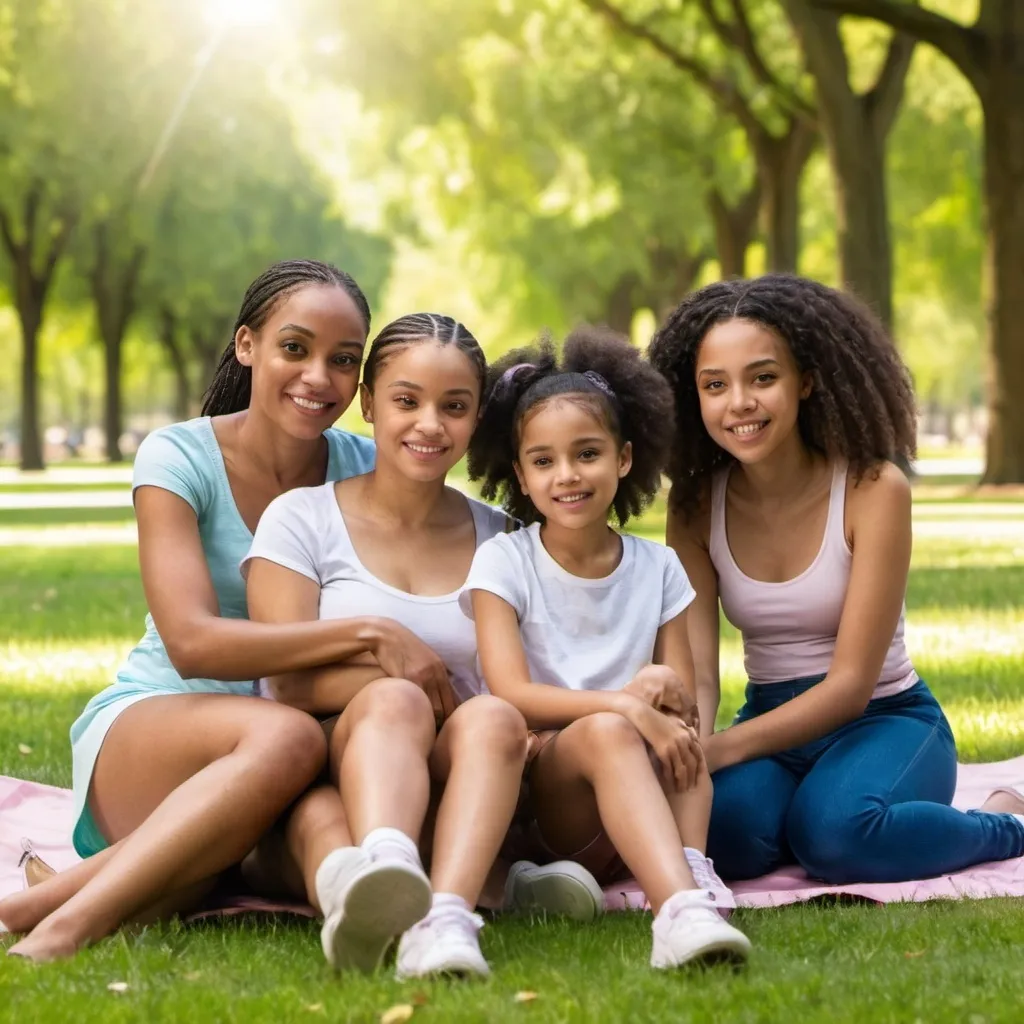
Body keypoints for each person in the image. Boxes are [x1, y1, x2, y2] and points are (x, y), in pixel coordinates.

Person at [0, 261, 448, 960]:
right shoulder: (179, 456)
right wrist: (367, 633)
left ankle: (31, 904)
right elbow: (192, 643)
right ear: (247, 346)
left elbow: (448, 543)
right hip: (159, 724)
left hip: (294, 747)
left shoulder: (365, 466)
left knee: (324, 801)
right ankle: (62, 931)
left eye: (343, 361)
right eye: (294, 349)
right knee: (289, 741)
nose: (317, 377)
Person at [243, 312, 600, 979]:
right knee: (393, 705)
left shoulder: (505, 538)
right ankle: (430, 871)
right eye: (407, 401)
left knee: (492, 714)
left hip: (456, 773)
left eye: (454, 407)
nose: (430, 424)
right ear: (370, 403)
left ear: (476, 418)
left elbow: (529, 675)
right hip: (326, 764)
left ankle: (444, 918)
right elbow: (284, 681)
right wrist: (398, 674)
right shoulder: (302, 519)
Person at [648, 273, 1024, 885]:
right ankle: (816, 813)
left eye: (763, 378)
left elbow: (851, 685)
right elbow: (698, 669)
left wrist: (721, 752)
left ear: (808, 380)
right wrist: (695, 750)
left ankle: (1005, 821)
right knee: (724, 837)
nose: (738, 403)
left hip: (886, 718)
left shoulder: (873, 488)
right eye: (715, 385)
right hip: (770, 720)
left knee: (835, 835)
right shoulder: (693, 505)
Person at [461, 326, 753, 971]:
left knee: (677, 729)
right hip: (551, 796)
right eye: (544, 461)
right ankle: (677, 914)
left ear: (623, 459)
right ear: (521, 475)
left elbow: (678, 698)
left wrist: (654, 706)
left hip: (643, 781)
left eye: (587, 454)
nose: (567, 475)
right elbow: (510, 694)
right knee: (614, 730)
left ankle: (692, 867)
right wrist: (629, 705)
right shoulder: (503, 563)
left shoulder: (659, 568)